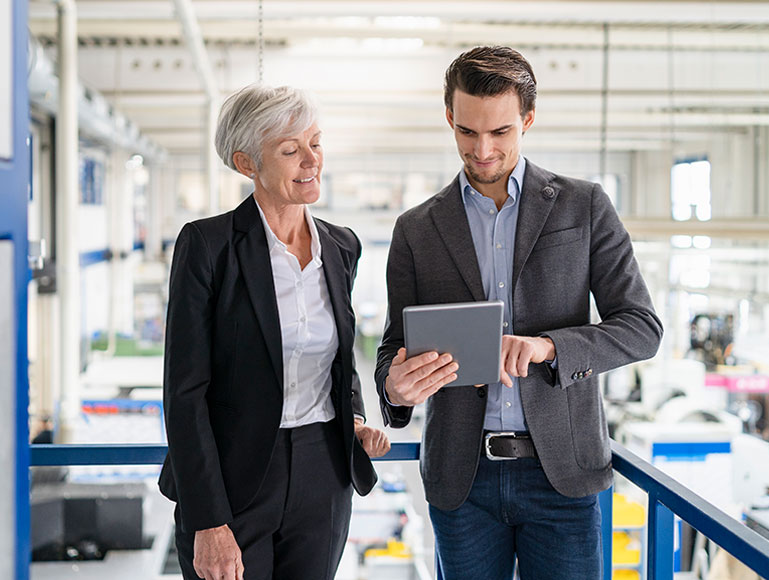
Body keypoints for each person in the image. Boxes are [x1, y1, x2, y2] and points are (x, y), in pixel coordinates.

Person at [375, 46, 663, 579]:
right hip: (463, 480)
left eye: (500, 132)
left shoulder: (584, 206)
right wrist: (395, 389)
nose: (482, 149)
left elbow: (642, 328)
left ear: (527, 120)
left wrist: (550, 348)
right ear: (449, 119)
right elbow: (393, 346)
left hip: (562, 475)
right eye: (467, 132)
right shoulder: (416, 229)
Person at [159, 84, 390, 580]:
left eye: (316, 142)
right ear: (248, 165)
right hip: (231, 480)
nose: (311, 160)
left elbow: (339, 360)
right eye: (290, 150)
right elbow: (185, 393)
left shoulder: (342, 246)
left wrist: (352, 415)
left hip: (322, 475)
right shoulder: (208, 246)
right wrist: (208, 520)